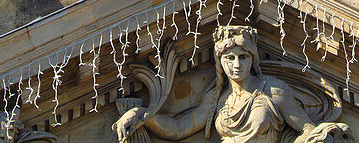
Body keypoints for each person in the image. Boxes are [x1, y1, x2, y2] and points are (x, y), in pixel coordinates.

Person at [114, 25, 341, 143]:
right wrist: (140, 114)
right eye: (229, 58)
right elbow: (178, 128)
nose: (236, 65)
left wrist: (325, 135)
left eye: (243, 57)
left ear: (253, 59)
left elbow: (308, 131)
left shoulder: (274, 91)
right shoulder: (217, 99)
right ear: (219, 61)